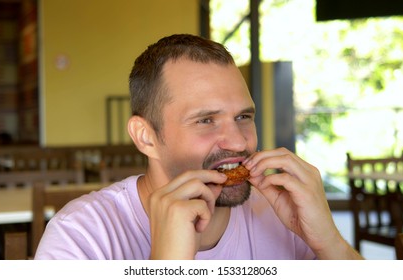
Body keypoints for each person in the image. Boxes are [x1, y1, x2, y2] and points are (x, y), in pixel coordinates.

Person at [35, 34, 363, 260]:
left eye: (244, 116)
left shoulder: (279, 216)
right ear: (145, 136)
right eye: (206, 120)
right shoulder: (82, 237)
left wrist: (329, 243)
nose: (239, 141)